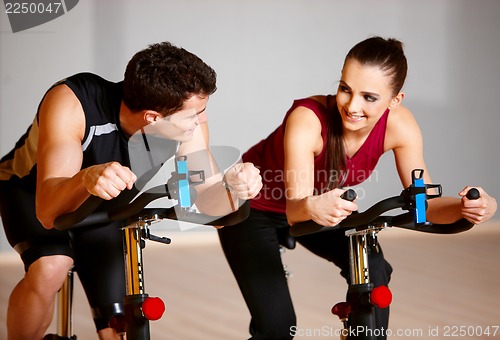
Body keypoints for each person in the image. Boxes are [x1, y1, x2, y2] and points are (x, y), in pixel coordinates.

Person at [217, 36, 497, 340]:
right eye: (345, 89)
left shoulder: (400, 125)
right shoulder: (307, 120)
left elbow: (425, 205)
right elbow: (298, 209)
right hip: (251, 208)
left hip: (317, 207)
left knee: (375, 270)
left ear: (395, 100)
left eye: (369, 97)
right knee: (278, 330)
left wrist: (467, 209)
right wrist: (312, 206)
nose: (352, 106)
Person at [0, 42, 262, 340]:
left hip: (104, 205)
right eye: (195, 114)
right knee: (51, 267)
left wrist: (233, 188)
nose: (201, 120)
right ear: (153, 118)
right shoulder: (72, 102)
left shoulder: (187, 124)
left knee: (116, 327)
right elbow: (48, 212)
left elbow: (201, 199)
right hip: (30, 191)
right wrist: (86, 178)